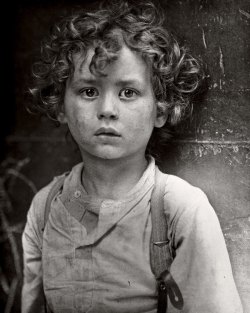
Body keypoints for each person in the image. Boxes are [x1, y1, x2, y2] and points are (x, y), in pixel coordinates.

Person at [21, 1, 243, 312]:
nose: (107, 110)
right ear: (60, 105)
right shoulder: (46, 208)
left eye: (128, 92)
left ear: (161, 109)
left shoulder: (179, 209)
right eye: (88, 91)